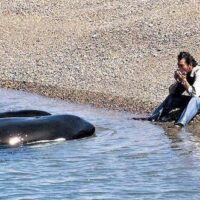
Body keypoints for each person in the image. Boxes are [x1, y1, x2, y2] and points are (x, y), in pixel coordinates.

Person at [148, 51, 200, 127]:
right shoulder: (185, 73)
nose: (179, 68)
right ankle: (154, 117)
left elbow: (195, 95)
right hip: (194, 103)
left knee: (195, 100)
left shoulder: (198, 72)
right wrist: (178, 81)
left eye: (182, 66)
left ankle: (180, 124)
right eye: (178, 65)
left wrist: (184, 81)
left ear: (190, 65)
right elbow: (172, 93)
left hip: (196, 101)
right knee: (171, 98)